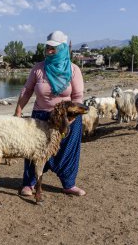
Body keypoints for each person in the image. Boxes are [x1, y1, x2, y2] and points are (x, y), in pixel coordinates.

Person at [14, 30, 86, 197]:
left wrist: (71, 118)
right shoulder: (39, 68)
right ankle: (29, 183)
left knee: (67, 151)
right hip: (41, 118)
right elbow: (27, 91)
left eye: (53, 48)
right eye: (47, 47)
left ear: (62, 49)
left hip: (68, 119)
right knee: (34, 150)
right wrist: (18, 111)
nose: (49, 50)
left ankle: (69, 184)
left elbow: (78, 97)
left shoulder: (73, 70)